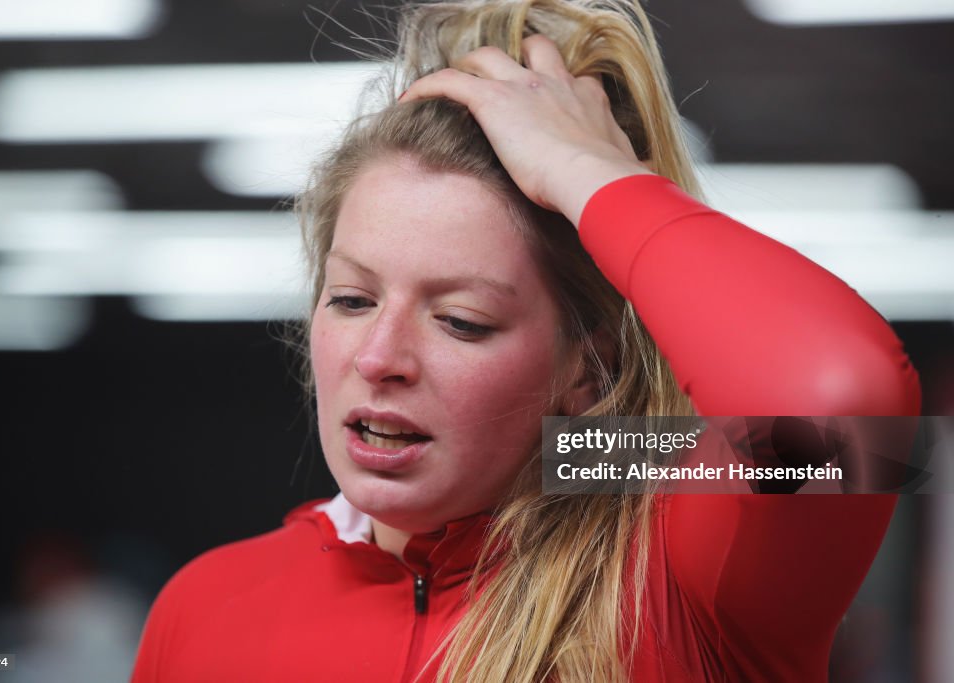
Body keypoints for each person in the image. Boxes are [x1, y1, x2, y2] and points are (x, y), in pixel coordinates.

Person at [130, 1, 921, 681]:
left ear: (589, 367)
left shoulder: (681, 581)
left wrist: (587, 173)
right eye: (351, 298)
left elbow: (849, 416)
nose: (378, 358)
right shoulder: (206, 606)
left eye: (461, 321)